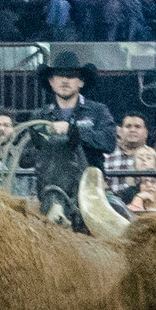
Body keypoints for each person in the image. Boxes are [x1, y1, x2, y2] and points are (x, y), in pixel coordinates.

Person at [24, 54, 117, 228]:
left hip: (91, 194)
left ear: (80, 82)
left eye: (71, 76)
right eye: (59, 76)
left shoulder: (98, 111)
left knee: (119, 219)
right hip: (50, 193)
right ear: (51, 82)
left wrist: (73, 131)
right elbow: (25, 157)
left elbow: (109, 142)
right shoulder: (40, 116)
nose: (65, 81)